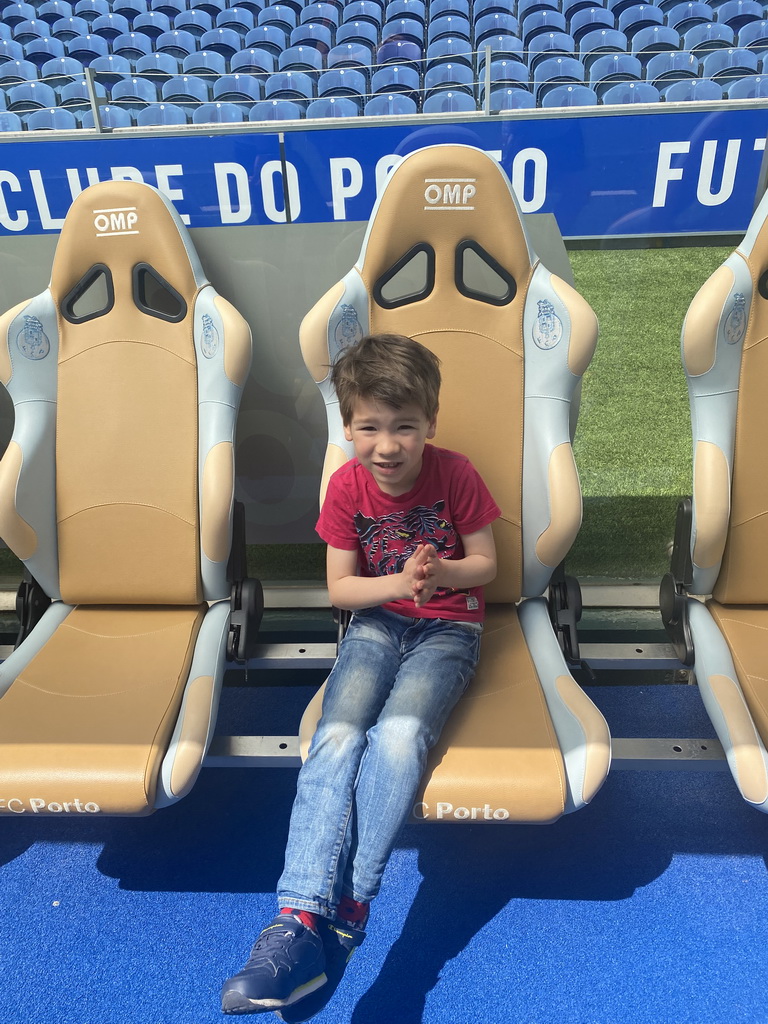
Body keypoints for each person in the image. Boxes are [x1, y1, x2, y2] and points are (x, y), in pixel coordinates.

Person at [220, 333, 500, 1020]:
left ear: (429, 424)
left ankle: (349, 907)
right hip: (375, 624)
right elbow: (343, 591)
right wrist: (399, 582)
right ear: (346, 428)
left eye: (404, 426)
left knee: (399, 737)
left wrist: (443, 573)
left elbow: (487, 567)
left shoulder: (456, 473)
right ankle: (297, 919)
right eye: (369, 427)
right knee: (337, 737)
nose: (387, 444)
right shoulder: (346, 486)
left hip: (449, 629)